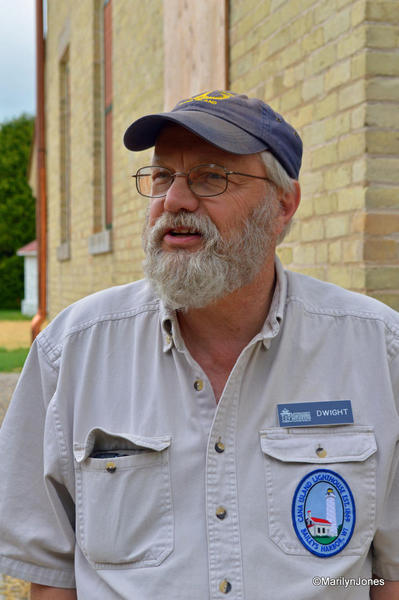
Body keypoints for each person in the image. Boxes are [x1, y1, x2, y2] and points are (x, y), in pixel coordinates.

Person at [0, 90, 398, 600]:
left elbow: (389, 574)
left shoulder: (378, 351)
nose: (175, 201)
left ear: (284, 203)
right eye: (163, 176)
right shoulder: (73, 351)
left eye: (212, 176)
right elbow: (51, 577)